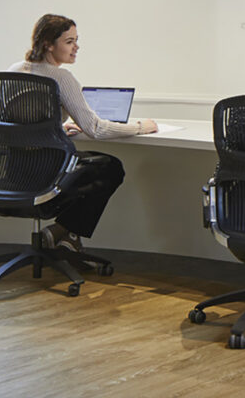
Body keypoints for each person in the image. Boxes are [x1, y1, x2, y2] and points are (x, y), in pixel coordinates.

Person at [9, 13, 157, 253]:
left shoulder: (15, 69)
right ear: (48, 44)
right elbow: (95, 129)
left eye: (76, 40)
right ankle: (64, 231)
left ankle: (67, 235)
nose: (76, 47)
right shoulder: (60, 77)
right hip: (46, 173)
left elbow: (15, 121)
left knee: (93, 167)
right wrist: (141, 127)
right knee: (110, 168)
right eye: (69, 41)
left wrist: (53, 129)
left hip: (14, 169)